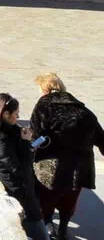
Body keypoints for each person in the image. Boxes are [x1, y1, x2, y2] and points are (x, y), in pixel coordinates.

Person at [29, 73, 104, 239]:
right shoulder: (85, 111)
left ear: (45, 90)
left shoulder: (44, 106)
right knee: (69, 200)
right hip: (80, 167)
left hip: (51, 167)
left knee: (46, 200)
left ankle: (48, 226)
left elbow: (35, 136)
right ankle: (62, 230)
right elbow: (101, 139)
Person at [0, 93, 49, 240]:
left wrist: (20, 136)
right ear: (6, 114)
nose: (18, 117)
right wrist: (26, 144)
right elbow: (20, 170)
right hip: (19, 193)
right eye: (16, 114)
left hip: (17, 189)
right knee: (40, 234)